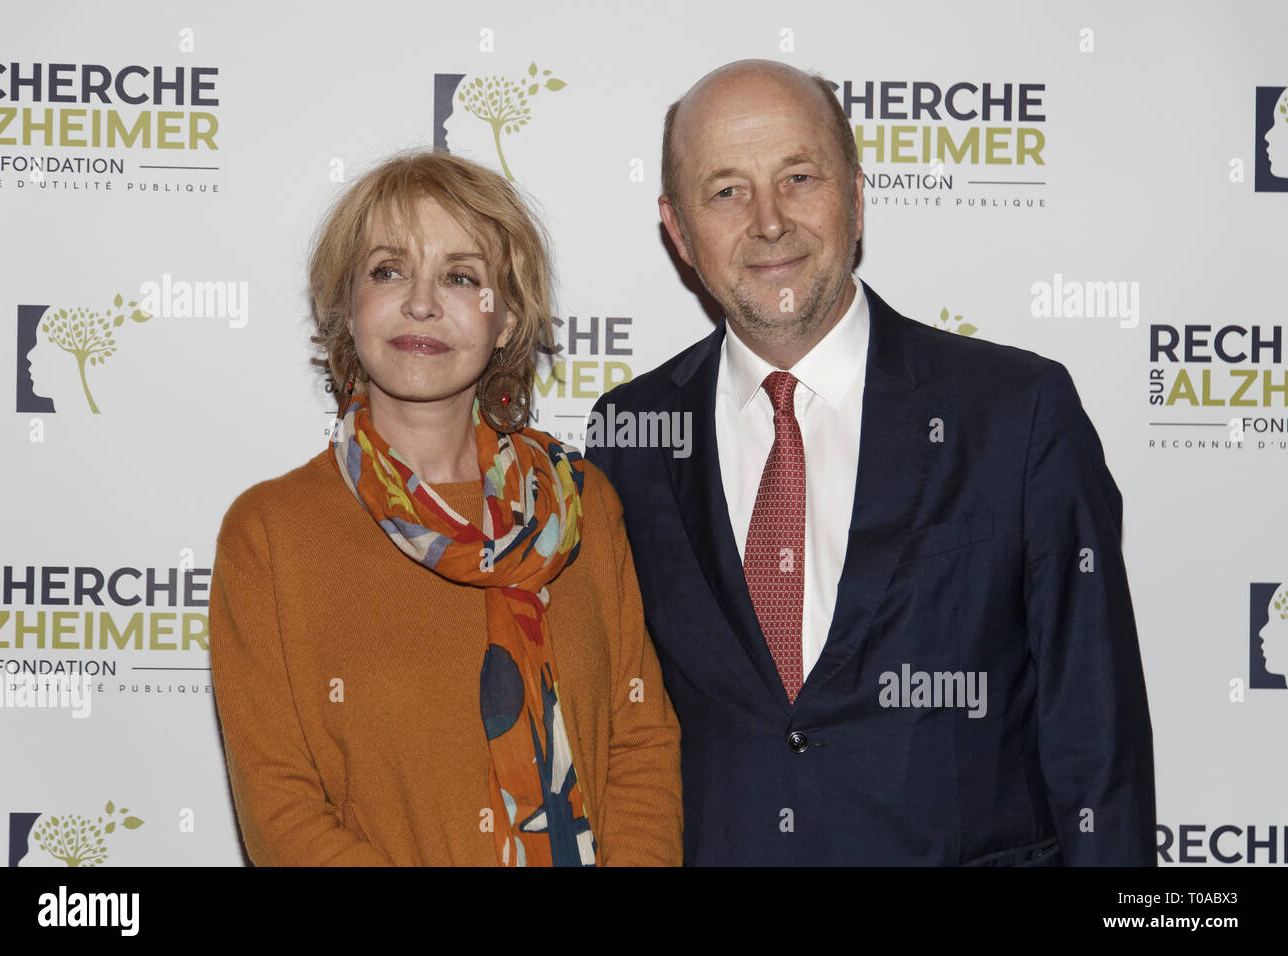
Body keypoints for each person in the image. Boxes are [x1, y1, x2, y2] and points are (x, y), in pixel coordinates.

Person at [586, 59, 1156, 865]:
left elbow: (1097, 738)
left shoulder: (1017, 412)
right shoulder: (629, 437)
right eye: (726, 191)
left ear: (855, 196)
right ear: (677, 230)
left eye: (798, 177)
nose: (770, 221)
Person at [209, 150, 682, 866]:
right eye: (388, 271)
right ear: (346, 306)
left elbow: (640, 746)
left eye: (461, 277)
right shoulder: (271, 532)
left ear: (507, 318)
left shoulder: (579, 503)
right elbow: (281, 810)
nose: (421, 303)